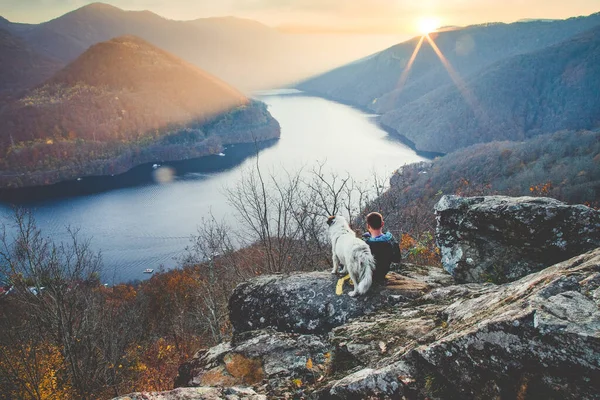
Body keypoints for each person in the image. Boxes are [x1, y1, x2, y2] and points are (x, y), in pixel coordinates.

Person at [362, 212, 401, 285]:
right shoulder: (391, 240)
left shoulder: (365, 244)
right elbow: (397, 259)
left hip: (367, 276)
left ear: (368, 226)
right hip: (382, 273)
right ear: (382, 224)